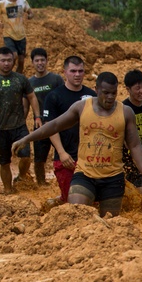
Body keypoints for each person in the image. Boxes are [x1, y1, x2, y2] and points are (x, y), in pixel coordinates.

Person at [12, 72, 142, 217]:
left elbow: (135, 146)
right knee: (77, 214)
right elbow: (55, 124)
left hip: (113, 178)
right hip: (85, 174)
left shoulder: (125, 112)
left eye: (113, 93)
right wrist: (26, 139)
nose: (110, 97)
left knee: (110, 222)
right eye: (106, 93)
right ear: (96, 89)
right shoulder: (82, 107)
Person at [0, 47, 40, 193]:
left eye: (9, 60)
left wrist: (37, 116)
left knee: (26, 156)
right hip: (0, 128)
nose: (6, 63)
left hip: (19, 126)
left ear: (13, 61)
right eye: (3, 60)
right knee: (4, 162)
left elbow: (32, 97)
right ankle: (8, 190)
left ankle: (21, 176)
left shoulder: (21, 79)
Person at [42, 56, 96, 204]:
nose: (77, 74)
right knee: (71, 202)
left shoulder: (92, 96)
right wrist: (61, 152)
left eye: (80, 71)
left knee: (93, 199)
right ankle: (57, 202)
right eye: (73, 71)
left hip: (90, 157)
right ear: (65, 72)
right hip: (66, 157)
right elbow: (50, 128)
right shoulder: (54, 96)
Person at [27, 47, 63, 186]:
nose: (40, 63)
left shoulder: (56, 79)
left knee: (62, 153)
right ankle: (41, 183)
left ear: (47, 61)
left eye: (42, 60)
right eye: (37, 60)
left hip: (57, 123)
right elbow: (26, 103)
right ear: (32, 63)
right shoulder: (30, 83)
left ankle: (61, 180)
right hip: (39, 124)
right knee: (39, 157)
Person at [0, 0, 32, 74]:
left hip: (21, 35)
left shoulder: (23, 1)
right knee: (13, 56)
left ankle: (17, 78)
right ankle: (6, 74)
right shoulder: (2, 3)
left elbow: (30, 12)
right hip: (8, 35)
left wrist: (29, 16)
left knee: (21, 61)